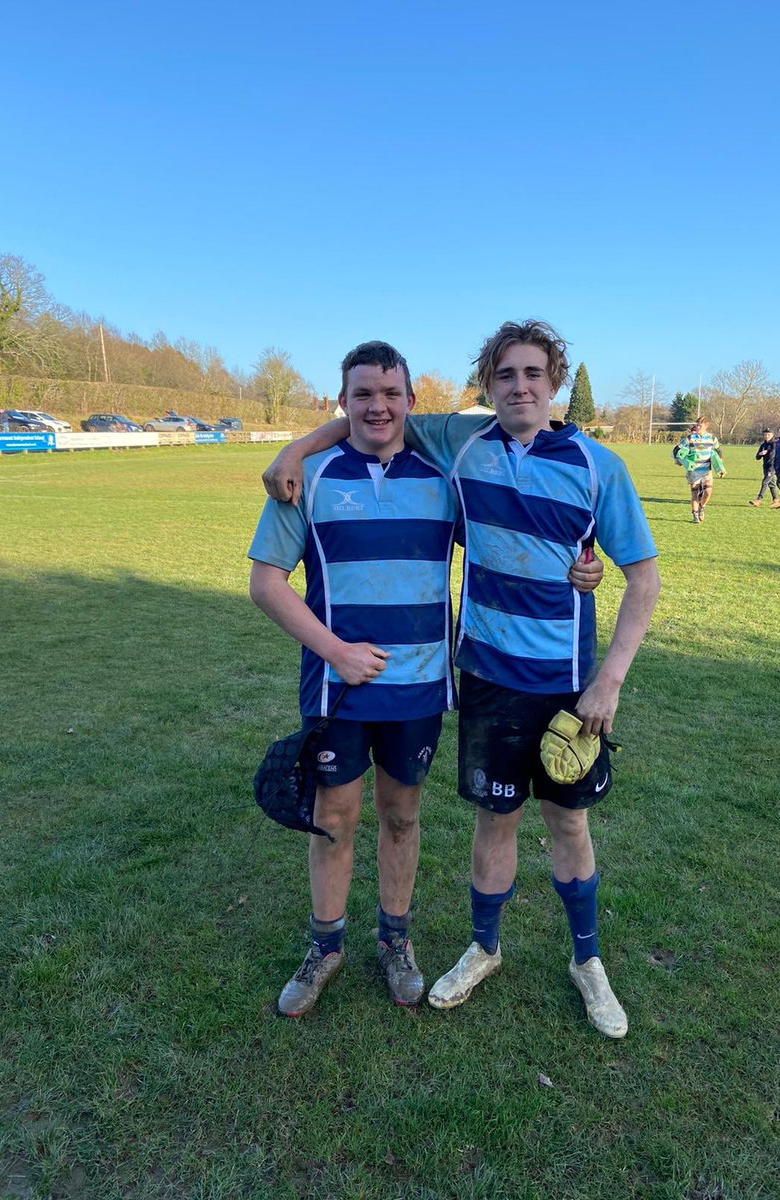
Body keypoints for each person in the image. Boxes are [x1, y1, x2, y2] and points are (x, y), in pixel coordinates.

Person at [263, 320, 660, 1038]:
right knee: (492, 821)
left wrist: (611, 678)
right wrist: (296, 446)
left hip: (569, 684)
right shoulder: (460, 445)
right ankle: (482, 948)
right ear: (488, 385)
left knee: (567, 823)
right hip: (482, 675)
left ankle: (587, 963)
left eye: (533, 373)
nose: (520, 386)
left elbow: (645, 577)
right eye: (506, 375)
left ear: (554, 381)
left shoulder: (601, 465)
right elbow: (371, 413)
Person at [674, 416, 725, 522]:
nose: (697, 427)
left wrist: (720, 466)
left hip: (707, 470)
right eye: (696, 425)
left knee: (708, 491)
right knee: (695, 492)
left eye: (699, 425)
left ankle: (702, 506)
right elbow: (676, 449)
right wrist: (678, 459)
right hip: (694, 470)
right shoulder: (690, 438)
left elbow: (718, 451)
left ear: (706, 426)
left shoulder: (712, 438)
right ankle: (695, 515)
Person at [749, 428, 778, 507]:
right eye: (765, 434)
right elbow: (757, 457)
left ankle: (758, 499)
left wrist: (767, 452)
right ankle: (776, 500)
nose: (767, 436)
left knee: (765, 482)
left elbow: (773, 454)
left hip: (772, 466)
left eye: (769, 434)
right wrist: (761, 453)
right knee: (771, 484)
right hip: (765, 466)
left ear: (772, 435)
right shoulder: (763, 445)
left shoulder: (775, 444)